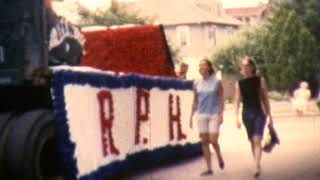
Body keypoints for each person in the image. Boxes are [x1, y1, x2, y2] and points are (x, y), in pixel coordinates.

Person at [234, 57, 274, 178]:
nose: (245, 68)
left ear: (252, 67)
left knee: (257, 139)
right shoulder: (239, 83)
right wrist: (236, 117)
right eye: (243, 66)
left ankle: (256, 166)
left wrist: (270, 115)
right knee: (252, 140)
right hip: (246, 114)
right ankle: (257, 162)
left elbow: (265, 98)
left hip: (259, 113)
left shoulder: (260, 81)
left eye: (247, 65)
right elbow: (236, 100)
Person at [189, 58, 225, 176]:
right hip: (201, 115)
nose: (201, 67)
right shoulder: (196, 83)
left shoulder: (217, 82)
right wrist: (191, 116)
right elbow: (195, 100)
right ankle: (209, 168)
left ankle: (219, 155)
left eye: (203, 65)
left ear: (209, 67)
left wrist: (221, 114)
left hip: (214, 114)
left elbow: (221, 99)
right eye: (200, 65)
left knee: (213, 140)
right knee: (204, 142)